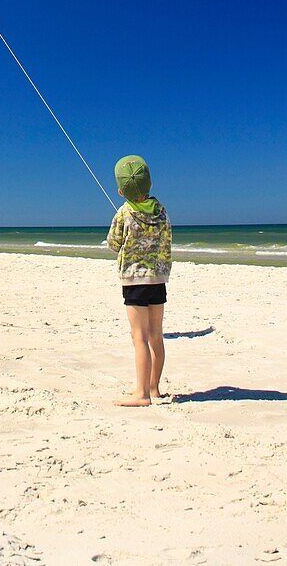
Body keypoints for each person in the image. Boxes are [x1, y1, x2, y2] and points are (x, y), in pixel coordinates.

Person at [107, 155, 172, 407]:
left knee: (139, 337)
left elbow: (113, 244)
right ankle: (154, 387)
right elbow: (168, 241)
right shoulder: (162, 211)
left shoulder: (124, 213)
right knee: (157, 335)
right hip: (158, 279)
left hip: (135, 281)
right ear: (150, 184)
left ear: (121, 191)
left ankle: (143, 393)